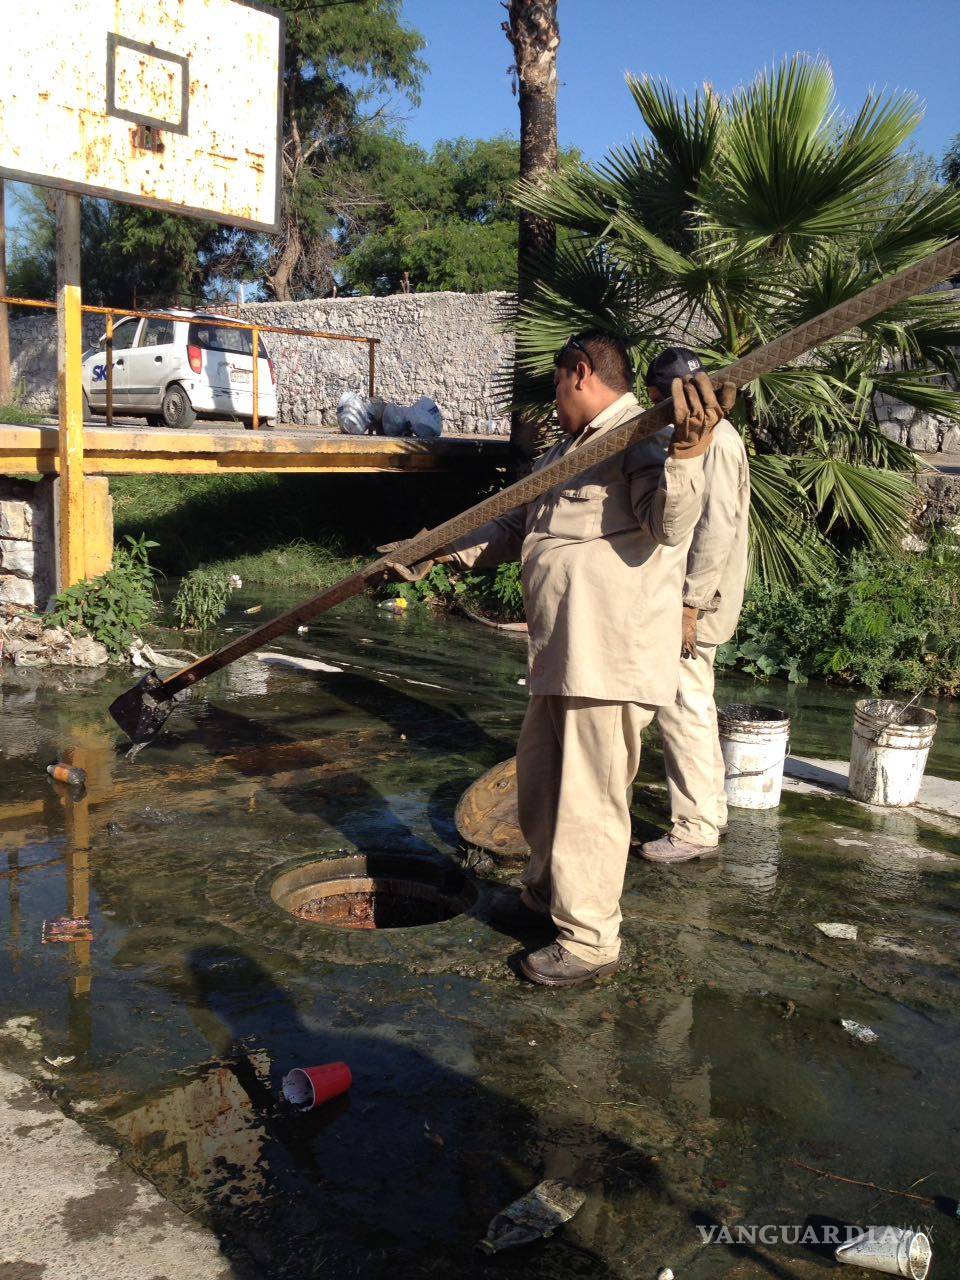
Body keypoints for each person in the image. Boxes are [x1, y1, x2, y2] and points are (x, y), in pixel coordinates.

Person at [386, 331, 734, 986]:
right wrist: (434, 550)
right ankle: (548, 896)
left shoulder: (642, 435)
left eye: (555, 385)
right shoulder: (570, 448)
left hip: (610, 657)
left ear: (579, 373)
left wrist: (689, 449)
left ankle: (589, 940)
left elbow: (668, 524)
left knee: (589, 801)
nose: (552, 399)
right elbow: (515, 525)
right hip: (562, 653)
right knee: (543, 788)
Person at [640, 347, 750, 864]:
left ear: (662, 397)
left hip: (697, 600)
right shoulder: (713, 434)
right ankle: (710, 814)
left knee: (683, 705)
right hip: (694, 596)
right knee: (693, 702)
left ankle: (696, 828)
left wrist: (690, 605)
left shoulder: (716, 441)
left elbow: (716, 528)